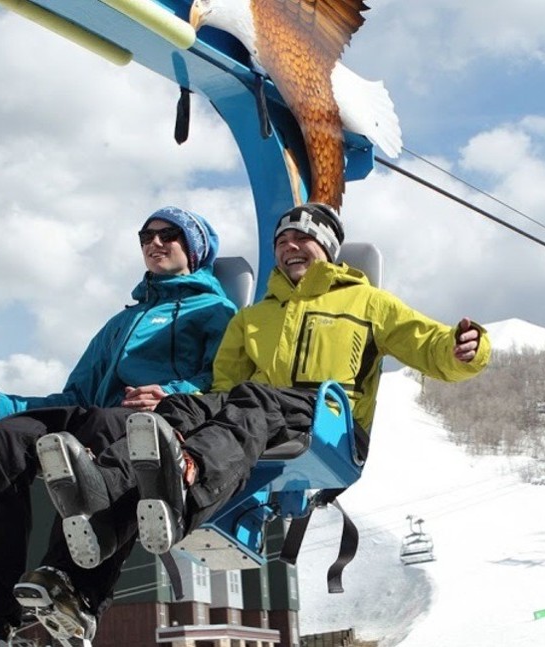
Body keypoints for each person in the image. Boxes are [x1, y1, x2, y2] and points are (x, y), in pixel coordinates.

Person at [29, 202, 490, 628]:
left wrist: (463, 348)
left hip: (330, 422)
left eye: (302, 239)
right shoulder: (253, 318)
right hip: (263, 410)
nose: (290, 247)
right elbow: (223, 387)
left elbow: (426, 343)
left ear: (327, 247)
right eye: (281, 242)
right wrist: (182, 408)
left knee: (254, 400)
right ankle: (104, 492)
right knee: (182, 408)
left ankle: (189, 472)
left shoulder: (366, 302)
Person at [0, 207, 236, 646]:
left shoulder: (216, 311)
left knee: (105, 425)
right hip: (98, 413)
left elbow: (224, 379)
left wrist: (172, 394)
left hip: (156, 421)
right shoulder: (122, 322)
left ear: (193, 248)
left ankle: (73, 583)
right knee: (7, 438)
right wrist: (8, 407)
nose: (154, 243)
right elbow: (76, 394)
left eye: (168, 234)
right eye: (145, 236)